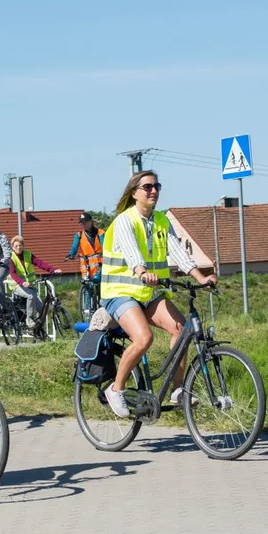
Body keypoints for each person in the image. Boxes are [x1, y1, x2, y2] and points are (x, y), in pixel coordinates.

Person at [100, 171, 217, 417]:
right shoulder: (125, 220)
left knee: (182, 330)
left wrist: (201, 278)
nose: (153, 191)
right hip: (120, 292)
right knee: (144, 338)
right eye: (147, 187)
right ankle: (116, 389)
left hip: (148, 293)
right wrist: (142, 271)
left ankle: (177, 390)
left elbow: (179, 252)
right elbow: (133, 254)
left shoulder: (162, 221)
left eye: (157, 186)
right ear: (134, 193)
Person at [8, 235, 60, 331]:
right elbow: (12, 273)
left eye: (20, 245)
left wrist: (53, 270)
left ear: (23, 246)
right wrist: (22, 282)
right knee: (31, 296)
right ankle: (29, 319)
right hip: (16, 285)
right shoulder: (11, 258)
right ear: (12, 247)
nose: (18, 248)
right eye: (16, 246)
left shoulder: (28, 254)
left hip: (29, 285)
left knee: (41, 310)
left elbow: (40, 263)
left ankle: (39, 331)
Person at [67, 212, 104, 283]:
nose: (84, 224)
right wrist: (71, 254)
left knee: (98, 282)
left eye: (85, 222)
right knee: (86, 284)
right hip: (86, 265)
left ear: (91, 222)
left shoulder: (100, 233)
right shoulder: (79, 235)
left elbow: (104, 246)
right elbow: (74, 246)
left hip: (99, 264)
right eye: (82, 223)